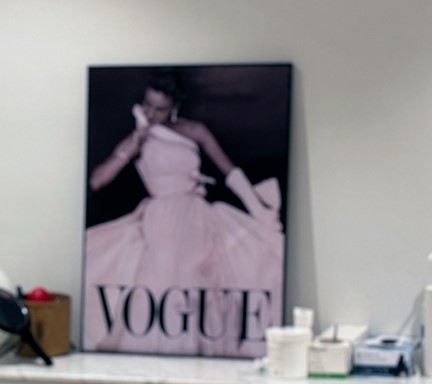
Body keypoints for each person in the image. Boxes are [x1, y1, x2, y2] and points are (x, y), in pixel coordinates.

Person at [83, 70, 285, 357]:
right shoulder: (138, 139)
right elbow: (97, 181)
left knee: (197, 279)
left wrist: (258, 210)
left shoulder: (195, 130)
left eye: (160, 109)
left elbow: (230, 171)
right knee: (160, 279)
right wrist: (133, 144)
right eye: (147, 105)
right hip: (160, 217)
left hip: (195, 215)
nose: (151, 114)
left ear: (175, 106)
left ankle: (196, 357)